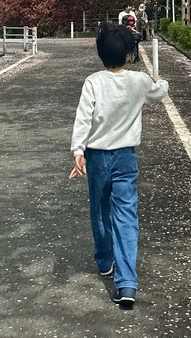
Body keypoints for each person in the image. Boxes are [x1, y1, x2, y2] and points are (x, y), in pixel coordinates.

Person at [69, 24, 169, 310]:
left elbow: (83, 119)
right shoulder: (138, 81)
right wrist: (158, 80)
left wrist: (78, 151)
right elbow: (160, 90)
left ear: (101, 53)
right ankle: (126, 283)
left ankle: (104, 261)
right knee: (125, 215)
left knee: (100, 209)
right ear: (129, 54)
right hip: (125, 156)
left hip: (97, 156)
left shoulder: (93, 82)